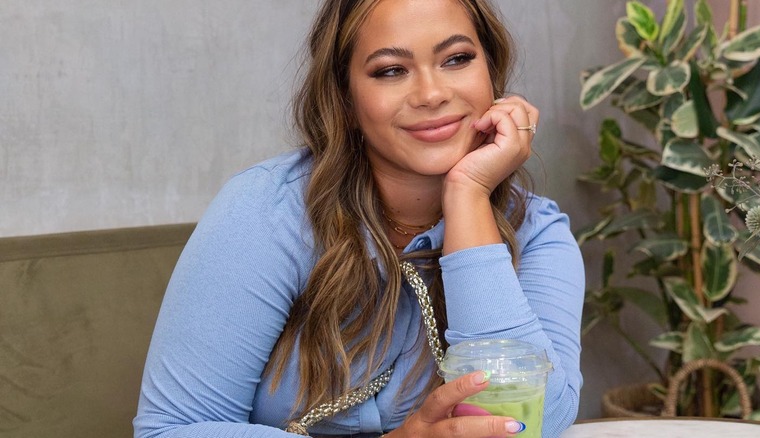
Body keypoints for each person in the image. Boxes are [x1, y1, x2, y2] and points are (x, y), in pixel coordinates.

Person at [133, 0, 584, 437]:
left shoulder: (537, 232)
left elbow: (536, 425)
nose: (431, 94)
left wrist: (468, 196)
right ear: (345, 98)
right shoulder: (267, 211)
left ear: (491, 74)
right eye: (391, 70)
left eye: (457, 59)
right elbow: (172, 430)